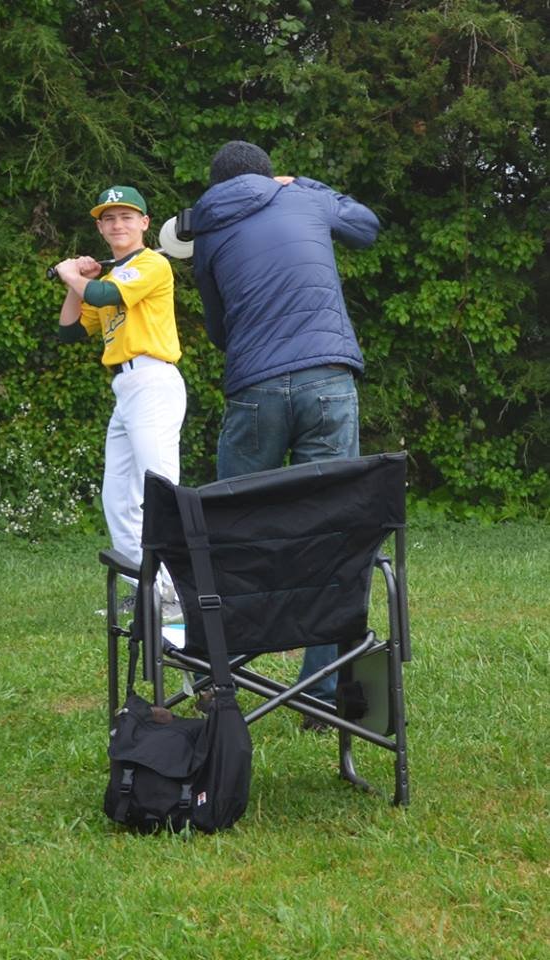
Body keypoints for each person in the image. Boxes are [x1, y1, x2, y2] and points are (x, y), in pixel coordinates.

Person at [190, 141, 380, 726]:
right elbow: (366, 227)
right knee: (332, 532)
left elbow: (218, 330)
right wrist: (309, 185)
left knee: (233, 530)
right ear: (271, 176)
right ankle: (321, 695)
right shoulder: (304, 200)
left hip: (255, 388)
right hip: (328, 379)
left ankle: (221, 679)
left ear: (216, 185)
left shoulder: (207, 230)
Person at [54, 185, 186, 617]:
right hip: (126, 388)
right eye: (108, 219)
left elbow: (103, 297)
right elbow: (70, 331)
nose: (117, 224)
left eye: (127, 216)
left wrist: (72, 274)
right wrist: (78, 283)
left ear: (144, 223)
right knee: (118, 499)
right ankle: (147, 590)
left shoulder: (152, 263)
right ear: (100, 228)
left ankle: (180, 592)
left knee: (160, 490)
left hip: (153, 379)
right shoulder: (108, 277)